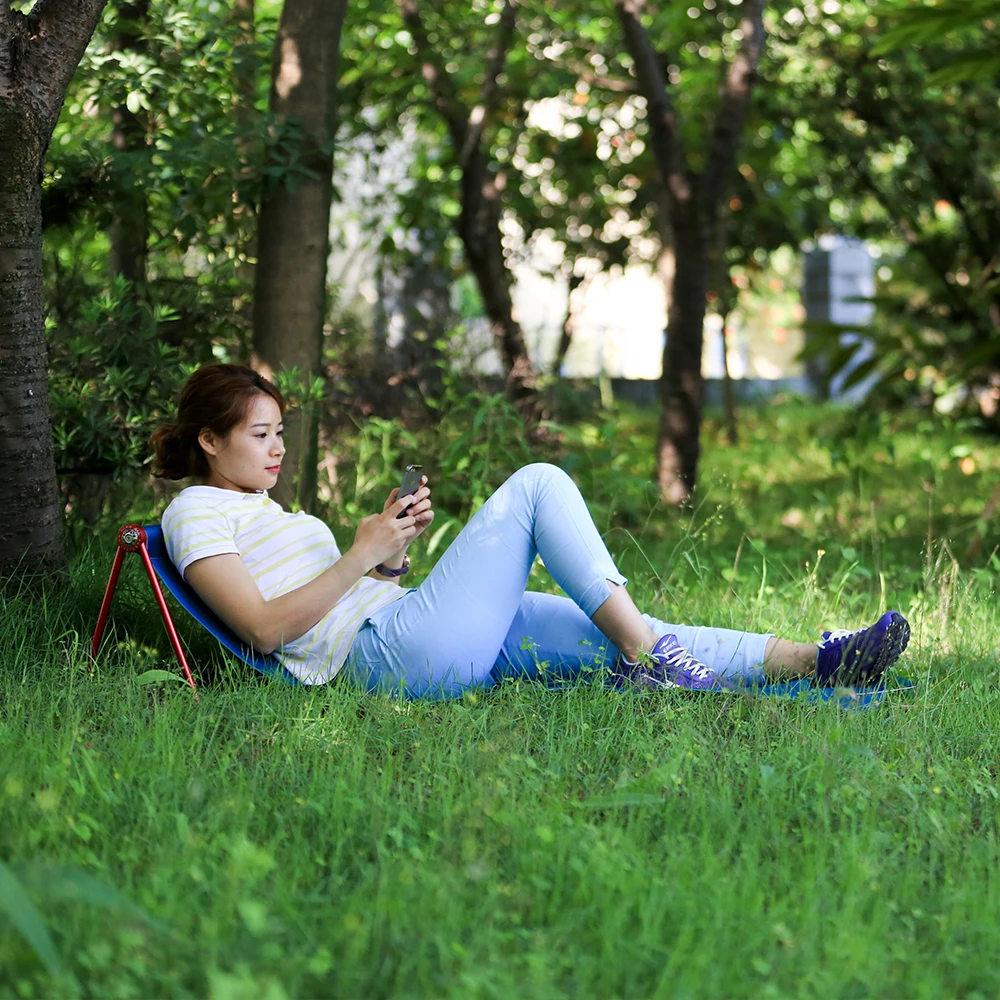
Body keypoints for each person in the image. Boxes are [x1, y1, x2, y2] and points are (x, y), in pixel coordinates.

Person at [151, 364, 911, 699]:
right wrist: (359, 554)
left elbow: (339, 593)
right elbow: (257, 630)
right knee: (539, 483)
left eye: (281, 430)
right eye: (259, 434)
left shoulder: (270, 511)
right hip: (384, 659)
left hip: (402, 624)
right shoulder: (194, 514)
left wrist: (388, 553)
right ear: (210, 441)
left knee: (623, 628)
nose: (278, 447)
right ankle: (650, 660)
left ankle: (824, 660)